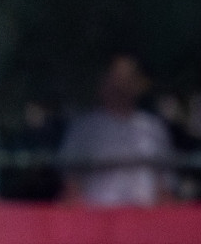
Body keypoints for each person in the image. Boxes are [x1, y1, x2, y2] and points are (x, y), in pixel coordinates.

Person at [57, 54, 176, 207]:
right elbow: (71, 186)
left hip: (144, 219)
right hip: (98, 220)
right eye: (116, 77)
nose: (120, 85)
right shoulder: (83, 128)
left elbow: (164, 187)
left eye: (127, 78)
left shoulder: (154, 129)